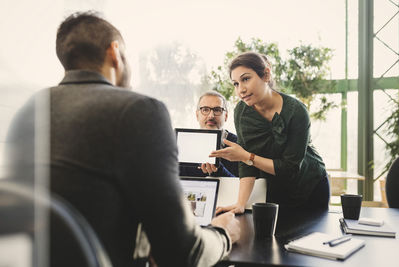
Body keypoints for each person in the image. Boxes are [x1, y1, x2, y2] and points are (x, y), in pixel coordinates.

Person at [5, 11, 240, 267]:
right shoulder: (139, 110)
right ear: (115, 53)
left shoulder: (28, 111)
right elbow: (182, 254)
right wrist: (224, 233)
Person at [210, 51, 330, 214]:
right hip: (274, 192)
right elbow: (247, 164)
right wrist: (240, 203)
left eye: (245, 79)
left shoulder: (297, 111)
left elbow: (290, 169)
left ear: (266, 75)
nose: (241, 90)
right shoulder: (242, 112)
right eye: (236, 83)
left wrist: (245, 156)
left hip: (311, 187)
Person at [180, 91, 239, 177]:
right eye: (205, 110)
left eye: (217, 110)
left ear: (226, 116)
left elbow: (241, 186)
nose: (211, 115)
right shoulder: (184, 146)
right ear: (197, 115)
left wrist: (218, 170)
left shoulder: (238, 145)